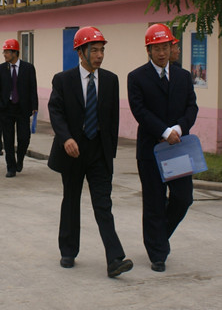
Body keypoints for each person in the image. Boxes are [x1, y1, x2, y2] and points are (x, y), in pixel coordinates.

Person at [48, 27, 133, 278]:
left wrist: (110, 154)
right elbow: (56, 112)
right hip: (73, 151)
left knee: (103, 204)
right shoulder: (63, 80)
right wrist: (66, 138)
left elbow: (113, 119)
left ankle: (115, 258)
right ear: (80, 52)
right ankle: (68, 251)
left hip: (99, 152)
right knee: (71, 201)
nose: (99, 55)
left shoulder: (111, 80)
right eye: (94, 50)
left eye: (102, 50)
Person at [128, 23, 198, 273]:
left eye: (165, 47)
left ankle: (158, 237)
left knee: (183, 198)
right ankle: (157, 254)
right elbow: (139, 110)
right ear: (148, 50)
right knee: (154, 202)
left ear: (171, 47)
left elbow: (192, 107)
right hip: (151, 150)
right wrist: (164, 131)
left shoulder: (183, 76)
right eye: (156, 48)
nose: (161, 52)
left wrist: (179, 128)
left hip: (177, 149)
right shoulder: (136, 77)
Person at [0, 38, 38, 177]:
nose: (4, 54)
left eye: (7, 52)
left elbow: (33, 88)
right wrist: (0, 104)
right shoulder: (1, 68)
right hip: (7, 108)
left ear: (15, 52)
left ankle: (20, 159)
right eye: (4, 52)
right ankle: (11, 167)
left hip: (23, 108)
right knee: (8, 139)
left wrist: (34, 106)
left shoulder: (28, 68)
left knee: (24, 138)